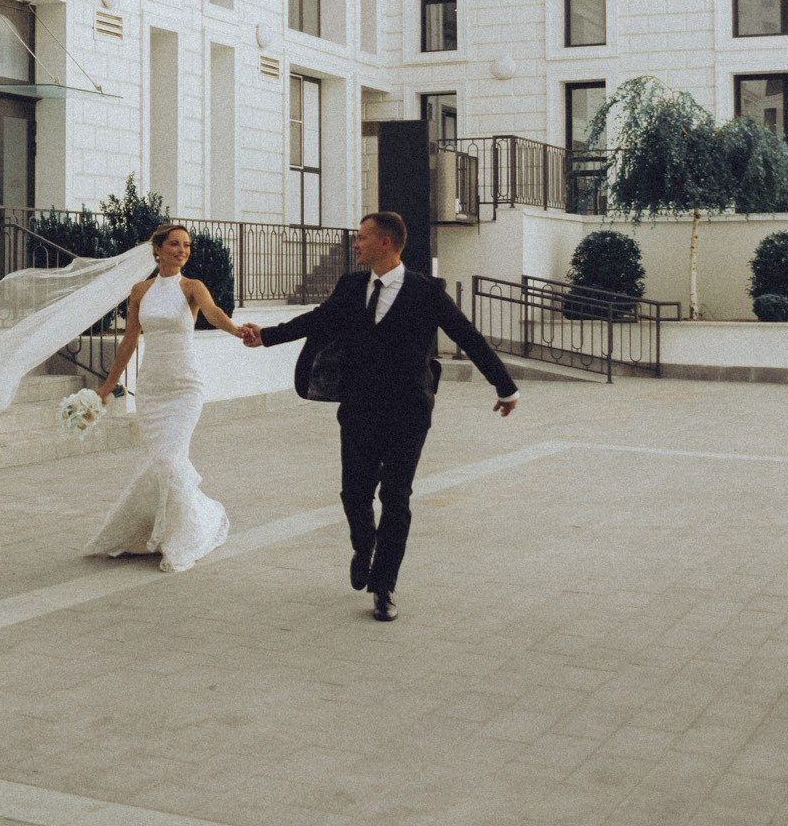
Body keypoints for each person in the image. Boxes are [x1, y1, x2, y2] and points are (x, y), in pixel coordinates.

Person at [240, 211, 516, 621]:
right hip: (359, 407)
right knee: (354, 493)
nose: (356, 244)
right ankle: (363, 543)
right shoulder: (352, 287)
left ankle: (384, 587)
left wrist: (504, 385)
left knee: (396, 497)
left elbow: (466, 335)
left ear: (385, 243)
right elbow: (319, 319)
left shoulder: (427, 291)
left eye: (362, 238)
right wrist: (267, 335)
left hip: (409, 410)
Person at [83, 223, 243, 571]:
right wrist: (108, 386)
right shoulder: (140, 290)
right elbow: (129, 341)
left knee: (170, 460)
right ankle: (149, 531)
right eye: (174, 244)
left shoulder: (192, 287)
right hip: (152, 389)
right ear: (157, 249)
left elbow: (213, 313)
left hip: (185, 386)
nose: (182, 250)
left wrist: (236, 330)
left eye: (186, 245)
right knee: (160, 463)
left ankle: (186, 533)